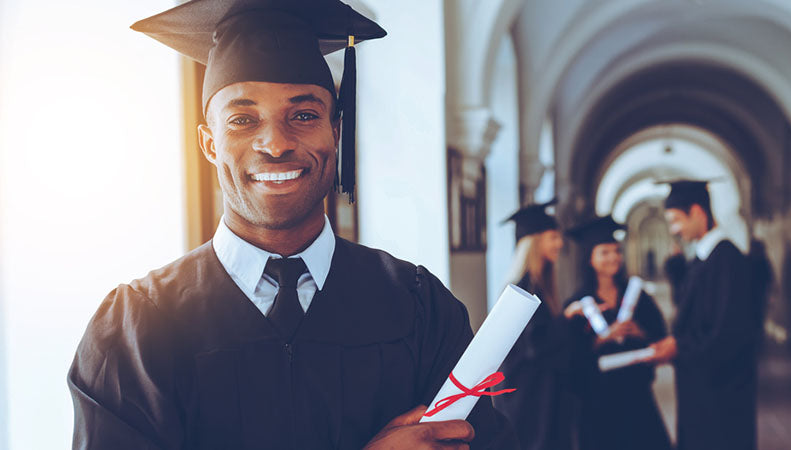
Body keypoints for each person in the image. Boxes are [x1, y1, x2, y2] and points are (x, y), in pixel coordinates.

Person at [67, 1, 516, 449]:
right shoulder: (136, 329)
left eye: (303, 115)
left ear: (336, 133)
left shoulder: (420, 309)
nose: (276, 143)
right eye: (243, 120)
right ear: (208, 143)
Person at [644, 180, 758, 450]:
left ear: (697, 212)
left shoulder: (727, 260)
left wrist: (678, 346)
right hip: (703, 387)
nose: (674, 230)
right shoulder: (705, 259)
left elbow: (728, 332)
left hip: (722, 393)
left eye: (676, 220)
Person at [563, 215, 671, 450]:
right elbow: (570, 356)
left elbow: (660, 335)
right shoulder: (578, 305)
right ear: (590, 258)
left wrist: (641, 333)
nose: (613, 258)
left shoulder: (636, 296)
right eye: (604, 252)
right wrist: (602, 339)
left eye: (616, 251)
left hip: (636, 394)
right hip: (598, 400)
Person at [492, 201, 575, 450]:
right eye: (552, 237)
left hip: (539, 393)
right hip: (529, 398)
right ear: (534, 242)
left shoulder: (536, 285)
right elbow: (536, 345)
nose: (559, 243)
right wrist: (567, 318)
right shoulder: (524, 289)